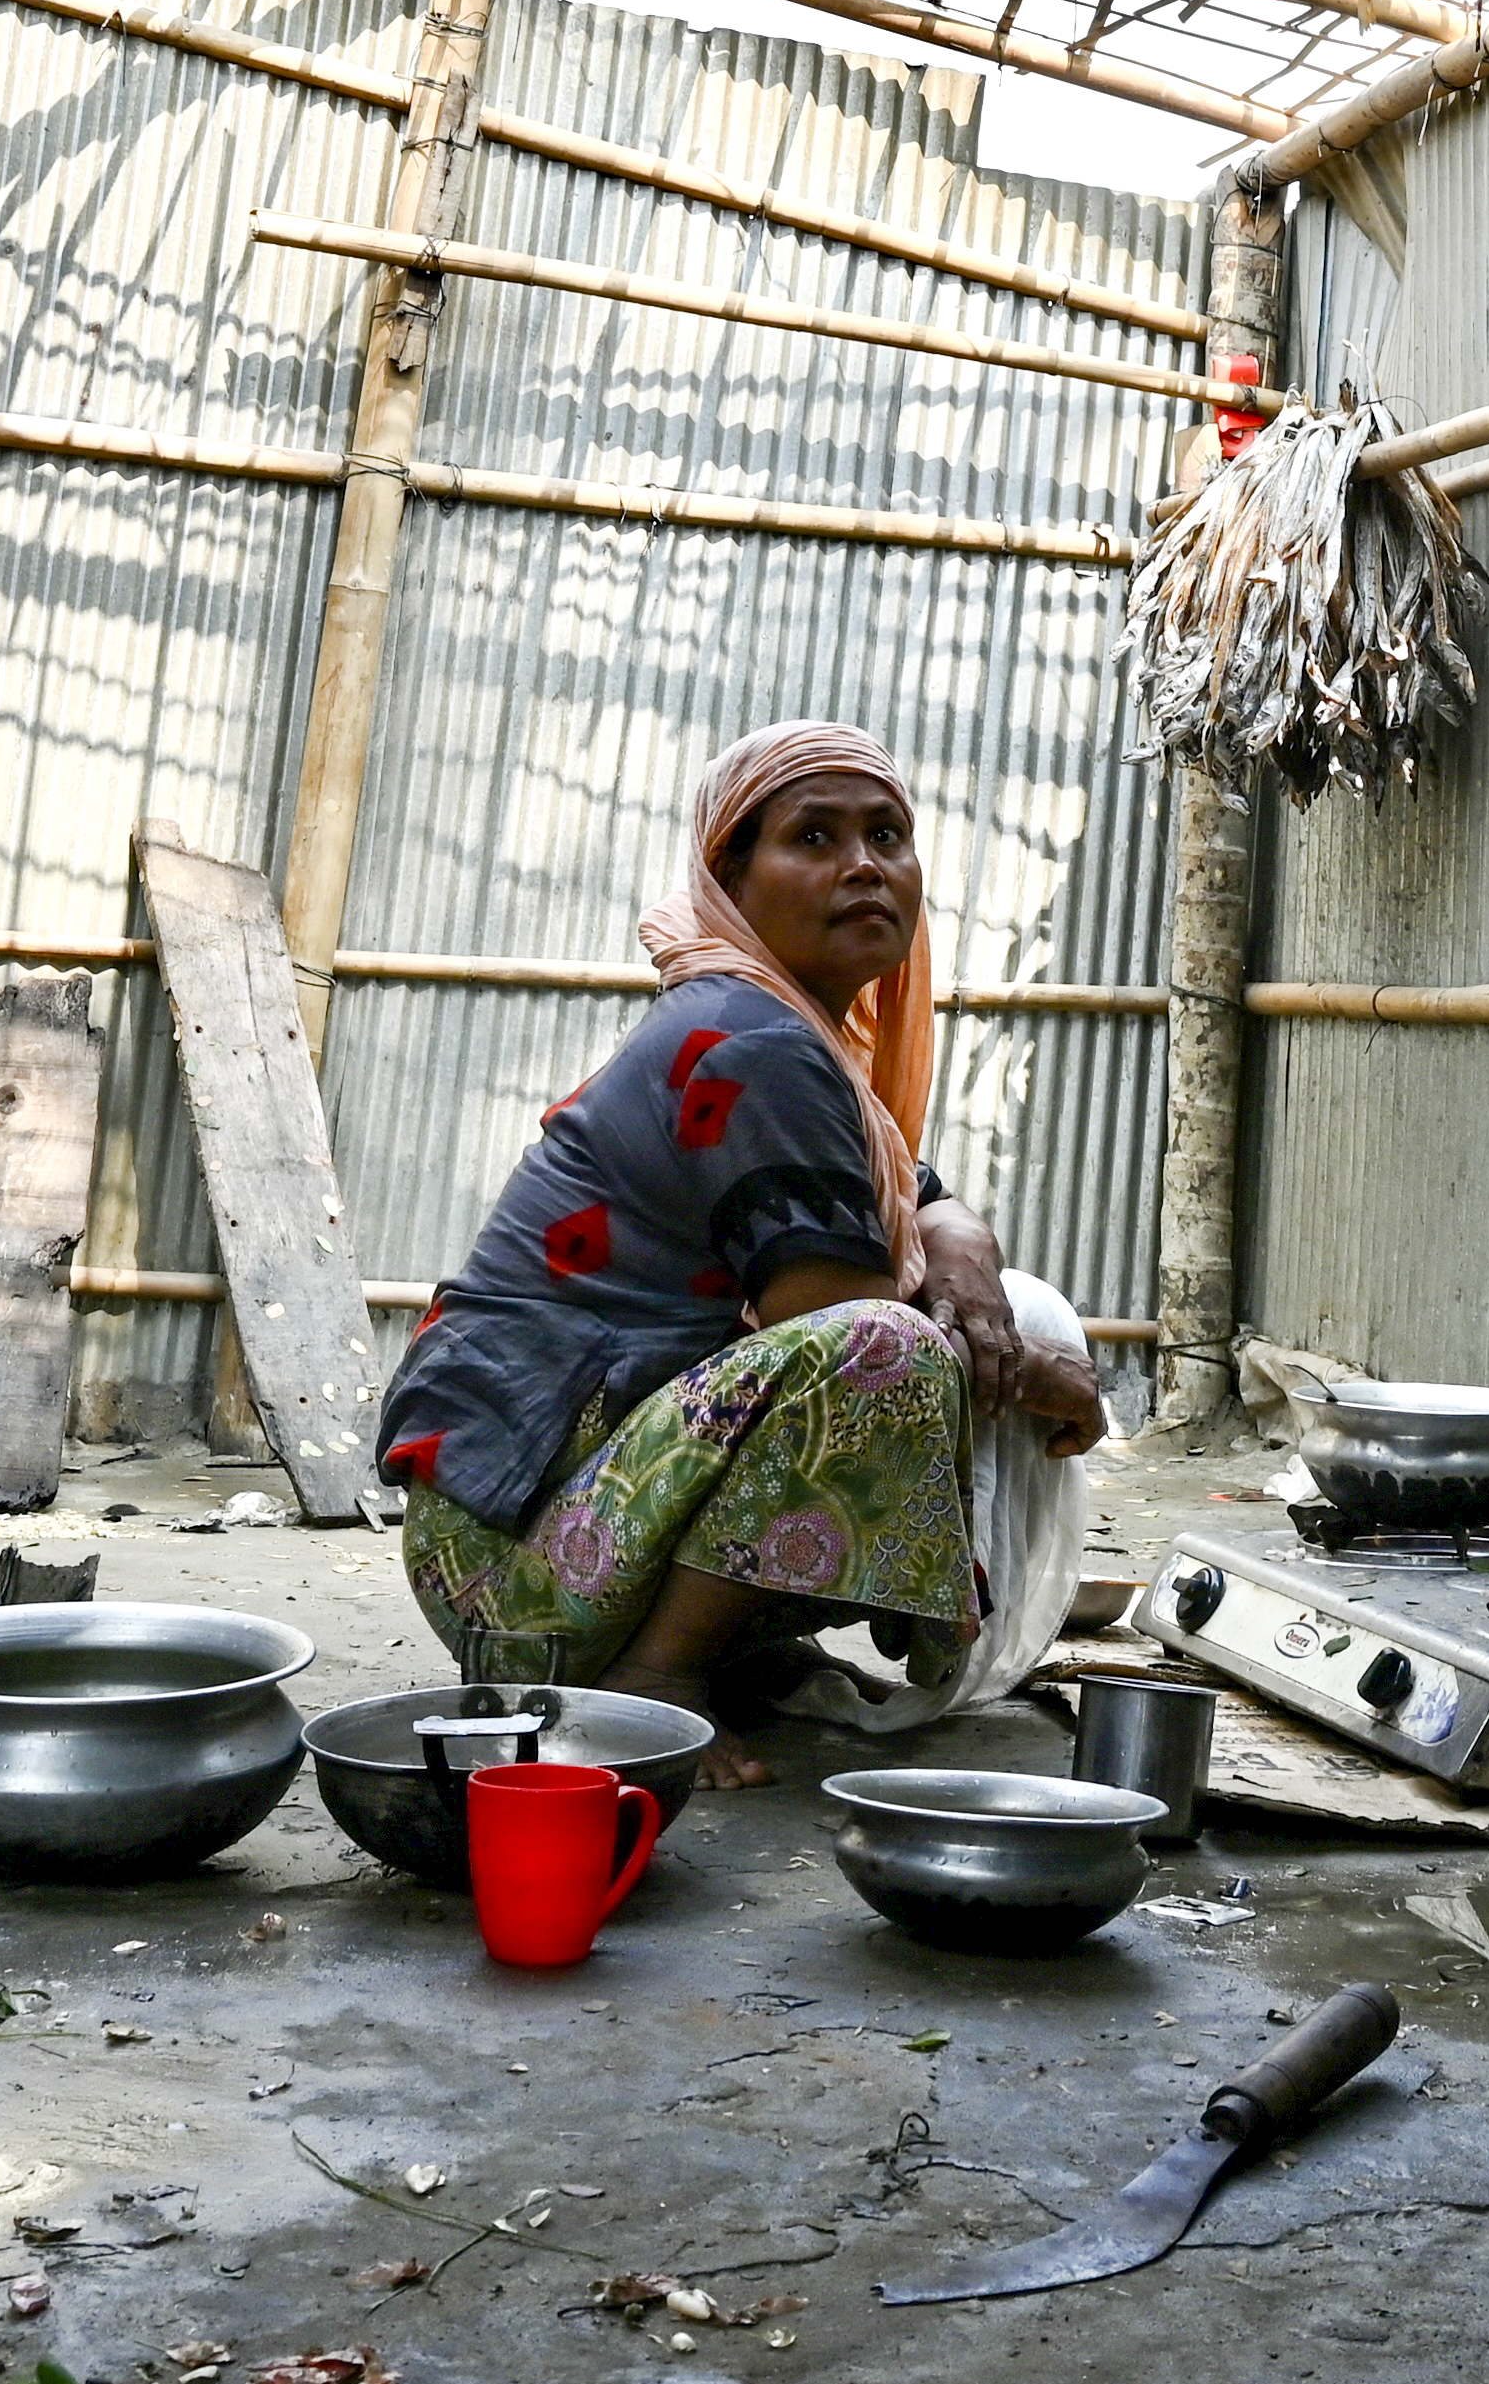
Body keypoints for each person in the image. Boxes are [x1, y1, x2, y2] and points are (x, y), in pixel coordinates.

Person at [379, 722, 1111, 1786]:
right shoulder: (753, 1039)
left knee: (1001, 1311)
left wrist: (969, 1257)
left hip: (565, 1527)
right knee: (889, 1354)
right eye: (813, 836)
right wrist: (1034, 1376)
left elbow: (924, 1196)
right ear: (732, 876)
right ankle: (655, 1674)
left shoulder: (793, 1031)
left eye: (887, 835)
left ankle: (722, 1644)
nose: (864, 865)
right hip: (512, 1578)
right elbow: (845, 1320)